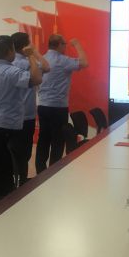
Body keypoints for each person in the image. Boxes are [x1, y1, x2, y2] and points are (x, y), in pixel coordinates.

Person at [0, 36, 42, 196]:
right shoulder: (12, 72)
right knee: (17, 163)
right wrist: (30, 55)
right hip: (12, 127)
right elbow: (37, 78)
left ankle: (0, 197)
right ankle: (16, 194)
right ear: (10, 51)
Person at [36, 35, 88, 173]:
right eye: (64, 44)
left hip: (42, 105)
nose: (65, 46)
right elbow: (84, 63)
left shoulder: (41, 59)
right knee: (58, 141)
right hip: (58, 107)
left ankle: (40, 172)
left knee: (43, 139)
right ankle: (53, 172)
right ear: (59, 45)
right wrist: (77, 44)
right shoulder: (62, 60)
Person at [11, 32, 50, 185]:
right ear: (25, 46)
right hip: (26, 115)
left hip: (12, 115)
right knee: (25, 153)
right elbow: (46, 66)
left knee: (14, 152)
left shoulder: (9, 64)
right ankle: (22, 184)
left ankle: (16, 181)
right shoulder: (26, 63)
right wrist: (33, 52)